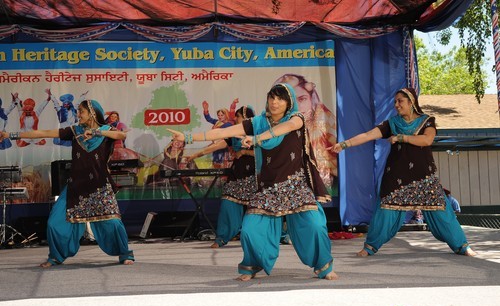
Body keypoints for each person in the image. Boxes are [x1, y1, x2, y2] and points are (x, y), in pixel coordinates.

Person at [168, 83, 338, 281]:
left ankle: (324, 266)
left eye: (280, 98)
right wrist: (188, 136)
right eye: (272, 97)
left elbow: (286, 128)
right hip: (268, 188)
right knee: (249, 230)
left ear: (289, 102)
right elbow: (223, 133)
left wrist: (258, 138)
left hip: (296, 186)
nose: (275, 102)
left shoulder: (296, 118)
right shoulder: (257, 122)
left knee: (315, 226)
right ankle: (252, 265)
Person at [333, 88, 476, 257]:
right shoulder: (392, 123)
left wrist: (401, 138)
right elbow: (368, 135)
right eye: (395, 102)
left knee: (442, 212)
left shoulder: (427, 121)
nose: (396, 105)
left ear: (411, 102)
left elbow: (427, 140)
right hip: (396, 177)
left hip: (424, 177)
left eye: (400, 101)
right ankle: (369, 247)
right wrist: (344, 145)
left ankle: (462, 246)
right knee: (384, 213)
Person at [0, 99, 135, 267]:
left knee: (113, 223)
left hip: (99, 187)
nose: (78, 114)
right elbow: (44, 133)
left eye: (81, 111)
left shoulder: (107, 131)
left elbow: (122, 135)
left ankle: (124, 253)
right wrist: (11, 135)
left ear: (92, 113)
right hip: (76, 187)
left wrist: (97, 133)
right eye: (78, 111)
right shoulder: (75, 130)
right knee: (54, 223)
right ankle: (56, 256)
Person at [187, 106, 256, 248]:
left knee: (260, 208)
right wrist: (195, 155)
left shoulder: (259, 132)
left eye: (237, 117)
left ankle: (277, 236)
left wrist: (244, 152)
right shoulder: (233, 135)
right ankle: (222, 238)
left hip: (255, 174)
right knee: (227, 203)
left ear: (245, 118)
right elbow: (214, 146)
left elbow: (267, 153)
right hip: (237, 173)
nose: (235, 119)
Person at [273, 74, 337, 187]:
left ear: (311, 99)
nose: (297, 106)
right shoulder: (275, 126)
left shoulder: (325, 123)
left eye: (302, 99)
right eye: (290, 101)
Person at [202, 101, 234, 168]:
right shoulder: (217, 122)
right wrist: (205, 109)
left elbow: (222, 133)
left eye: (222, 115)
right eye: (218, 115)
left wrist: (215, 130)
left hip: (224, 147)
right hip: (216, 147)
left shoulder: (229, 124)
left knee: (223, 165)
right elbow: (209, 119)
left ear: (226, 115)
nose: (220, 117)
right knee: (216, 164)